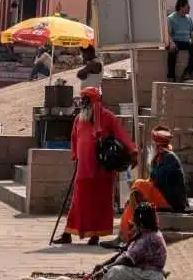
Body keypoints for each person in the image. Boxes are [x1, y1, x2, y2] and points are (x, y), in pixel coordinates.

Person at [54, 87, 137, 246]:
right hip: (84, 168)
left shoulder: (108, 117)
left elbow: (121, 134)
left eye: (86, 100)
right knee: (78, 202)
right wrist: (75, 156)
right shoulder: (79, 119)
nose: (84, 104)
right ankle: (68, 233)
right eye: (83, 100)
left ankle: (95, 235)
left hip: (102, 170)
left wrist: (132, 152)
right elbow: (74, 139)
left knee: (99, 203)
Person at [118, 127, 189, 243]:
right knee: (135, 195)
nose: (154, 147)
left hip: (171, 201)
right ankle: (125, 233)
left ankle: (125, 234)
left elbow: (157, 181)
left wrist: (152, 166)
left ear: (159, 147)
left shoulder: (170, 158)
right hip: (164, 195)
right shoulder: (162, 157)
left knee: (139, 184)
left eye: (155, 145)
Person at [95, 203, 168, 280]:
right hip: (148, 273)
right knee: (114, 269)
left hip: (150, 277)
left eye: (135, 222)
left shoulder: (148, 238)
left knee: (115, 271)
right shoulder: (146, 233)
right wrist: (103, 264)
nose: (133, 224)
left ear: (141, 224)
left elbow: (127, 260)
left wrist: (105, 269)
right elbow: (125, 253)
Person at [166, 0, 193, 82]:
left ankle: (187, 73)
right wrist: (171, 42)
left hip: (186, 42)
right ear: (181, 7)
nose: (189, 8)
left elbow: (192, 32)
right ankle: (171, 76)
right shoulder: (171, 18)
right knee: (172, 51)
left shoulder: (189, 19)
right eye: (187, 6)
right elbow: (167, 34)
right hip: (175, 41)